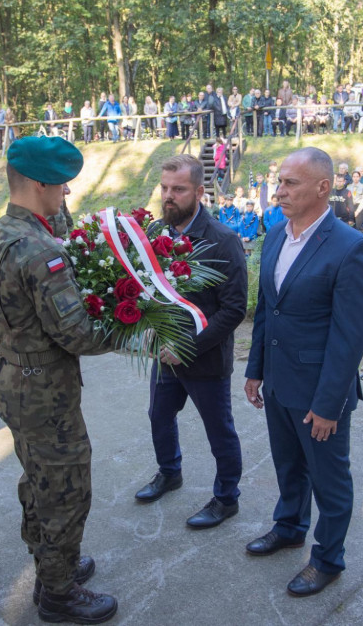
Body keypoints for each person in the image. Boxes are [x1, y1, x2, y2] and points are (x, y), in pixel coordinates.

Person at [0, 136, 117, 623]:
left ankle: (53, 565)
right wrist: (132, 323)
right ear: (38, 184)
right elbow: (77, 334)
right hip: (44, 391)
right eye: (61, 184)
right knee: (65, 488)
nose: (67, 193)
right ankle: (59, 593)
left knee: (39, 478)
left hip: (11, 375)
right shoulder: (39, 251)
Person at [243, 146, 363, 598]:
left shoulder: (351, 248)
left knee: (329, 480)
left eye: (290, 183)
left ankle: (327, 560)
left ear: (323, 187)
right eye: (279, 182)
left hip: (319, 391)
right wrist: (255, 368)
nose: (278, 191)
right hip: (279, 382)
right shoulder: (278, 234)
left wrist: (327, 405)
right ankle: (289, 527)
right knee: (288, 467)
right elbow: (267, 308)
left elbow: (348, 339)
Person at [132, 153, 248, 531]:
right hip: (164, 354)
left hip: (205, 359)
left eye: (178, 189)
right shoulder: (157, 234)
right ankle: (170, 472)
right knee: (159, 416)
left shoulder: (223, 241)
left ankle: (226, 498)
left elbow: (233, 311)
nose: (168, 196)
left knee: (219, 431)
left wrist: (186, 346)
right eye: (164, 188)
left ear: (199, 191)